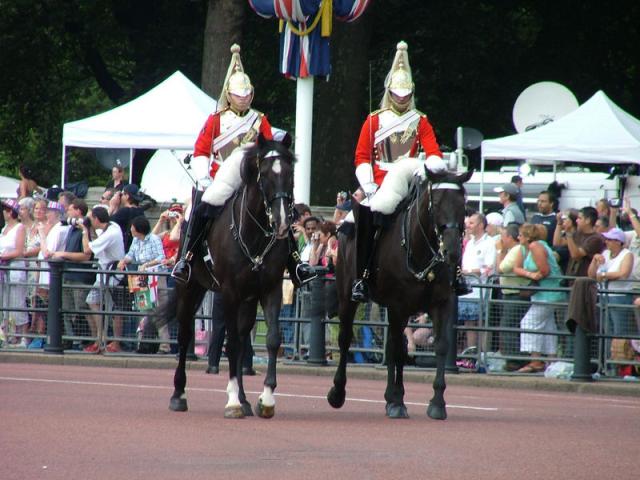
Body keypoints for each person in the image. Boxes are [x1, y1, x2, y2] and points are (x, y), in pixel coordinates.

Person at [172, 44, 315, 287]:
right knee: (201, 205)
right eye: (239, 95)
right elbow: (201, 150)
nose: (244, 98)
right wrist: (203, 177)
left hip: (252, 178)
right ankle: (187, 258)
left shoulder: (260, 120)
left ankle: (294, 262)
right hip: (221, 177)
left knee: (279, 208)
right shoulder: (215, 120)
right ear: (229, 95)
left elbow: (269, 150)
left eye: (247, 94)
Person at [350, 41, 460, 302]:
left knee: (445, 217)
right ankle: (362, 278)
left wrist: (432, 168)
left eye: (406, 94)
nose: (402, 99)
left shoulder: (420, 121)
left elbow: (434, 153)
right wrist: (368, 186)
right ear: (389, 92)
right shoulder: (374, 120)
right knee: (366, 219)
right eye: (397, 94)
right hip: (378, 183)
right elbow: (362, 156)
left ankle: (454, 273)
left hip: (411, 181)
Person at [513, 223, 566, 373]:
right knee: (548, 325)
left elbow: (544, 270)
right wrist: (530, 275)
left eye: (521, 235)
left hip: (548, 293)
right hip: (546, 293)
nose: (518, 237)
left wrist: (532, 275)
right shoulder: (531, 247)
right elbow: (517, 268)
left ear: (528, 237)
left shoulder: (535, 246)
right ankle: (552, 359)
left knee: (529, 322)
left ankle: (536, 360)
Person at [113, 216, 166, 353]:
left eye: (133, 228)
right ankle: (143, 344)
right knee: (144, 309)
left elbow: (161, 257)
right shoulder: (136, 240)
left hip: (155, 277)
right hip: (142, 278)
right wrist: (124, 260)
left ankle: (165, 345)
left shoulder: (154, 239)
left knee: (159, 311)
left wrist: (147, 264)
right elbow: (131, 254)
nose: (131, 230)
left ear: (139, 229)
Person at [49, 199, 94, 348]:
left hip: (80, 277)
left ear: (78, 211)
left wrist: (64, 254)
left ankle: (85, 340)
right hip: (67, 275)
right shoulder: (71, 228)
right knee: (66, 309)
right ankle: (70, 339)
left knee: (80, 309)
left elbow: (86, 255)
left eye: (70, 209)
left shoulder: (86, 229)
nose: (67, 211)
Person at [80, 205, 125, 353]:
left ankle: (116, 342)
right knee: (92, 301)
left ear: (97, 219)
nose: (90, 220)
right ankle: (101, 338)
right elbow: (98, 238)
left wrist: (85, 231)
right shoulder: (112, 226)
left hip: (112, 277)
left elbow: (87, 250)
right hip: (104, 276)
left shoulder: (111, 233)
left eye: (91, 218)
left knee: (114, 310)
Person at [587, 228, 636, 354]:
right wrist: (594, 261)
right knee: (605, 331)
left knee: (619, 332)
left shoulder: (627, 255)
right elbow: (591, 275)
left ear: (619, 242)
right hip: (603, 296)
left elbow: (623, 273)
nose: (607, 242)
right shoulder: (604, 254)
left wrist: (603, 275)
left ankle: (619, 365)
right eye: (606, 239)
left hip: (619, 297)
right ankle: (606, 363)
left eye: (610, 239)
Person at [458, 212, 496, 353]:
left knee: (481, 324)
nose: (468, 225)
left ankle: (483, 355)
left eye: (471, 223)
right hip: (467, 291)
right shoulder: (469, 243)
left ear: (481, 225)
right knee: (469, 323)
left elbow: (489, 267)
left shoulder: (490, 242)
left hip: (480, 291)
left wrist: (469, 272)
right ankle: (471, 353)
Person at [496, 223, 530, 360]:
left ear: (509, 237)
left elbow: (501, 268)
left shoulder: (517, 249)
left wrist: (500, 251)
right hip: (511, 293)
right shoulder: (514, 249)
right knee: (509, 327)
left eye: (503, 237)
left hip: (516, 294)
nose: (501, 240)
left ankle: (513, 360)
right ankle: (512, 358)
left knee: (508, 327)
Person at [0, 199, 27, 346]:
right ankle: (10, 335)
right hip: (4, 269)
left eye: (5, 210)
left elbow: (18, 251)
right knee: (5, 303)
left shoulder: (20, 227)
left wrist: (2, 257)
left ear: (10, 212)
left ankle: (23, 336)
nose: (3, 212)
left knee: (18, 303)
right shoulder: (4, 228)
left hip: (15, 267)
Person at [109, 184, 146, 251]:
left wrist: (112, 206)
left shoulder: (125, 211)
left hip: (124, 250)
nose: (121, 197)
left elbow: (106, 224)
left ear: (127, 196)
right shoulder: (140, 211)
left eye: (122, 194)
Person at [152, 204, 183, 271]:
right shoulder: (166, 233)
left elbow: (173, 238)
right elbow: (151, 239)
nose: (175, 215)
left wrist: (179, 222)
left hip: (175, 266)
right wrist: (160, 221)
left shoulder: (183, 232)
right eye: (173, 212)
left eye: (178, 212)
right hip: (163, 266)